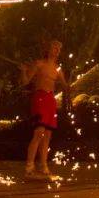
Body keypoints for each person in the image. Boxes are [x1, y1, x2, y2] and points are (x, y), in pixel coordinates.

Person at [21, 39, 69, 180]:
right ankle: (29, 167)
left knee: (47, 135)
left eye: (58, 49)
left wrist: (67, 86)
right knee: (39, 132)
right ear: (48, 50)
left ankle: (43, 166)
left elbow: (65, 85)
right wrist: (24, 71)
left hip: (50, 100)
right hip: (40, 97)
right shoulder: (39, 64)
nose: (57, 51)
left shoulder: (57, 68)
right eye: (54, 48)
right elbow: (26, 81)